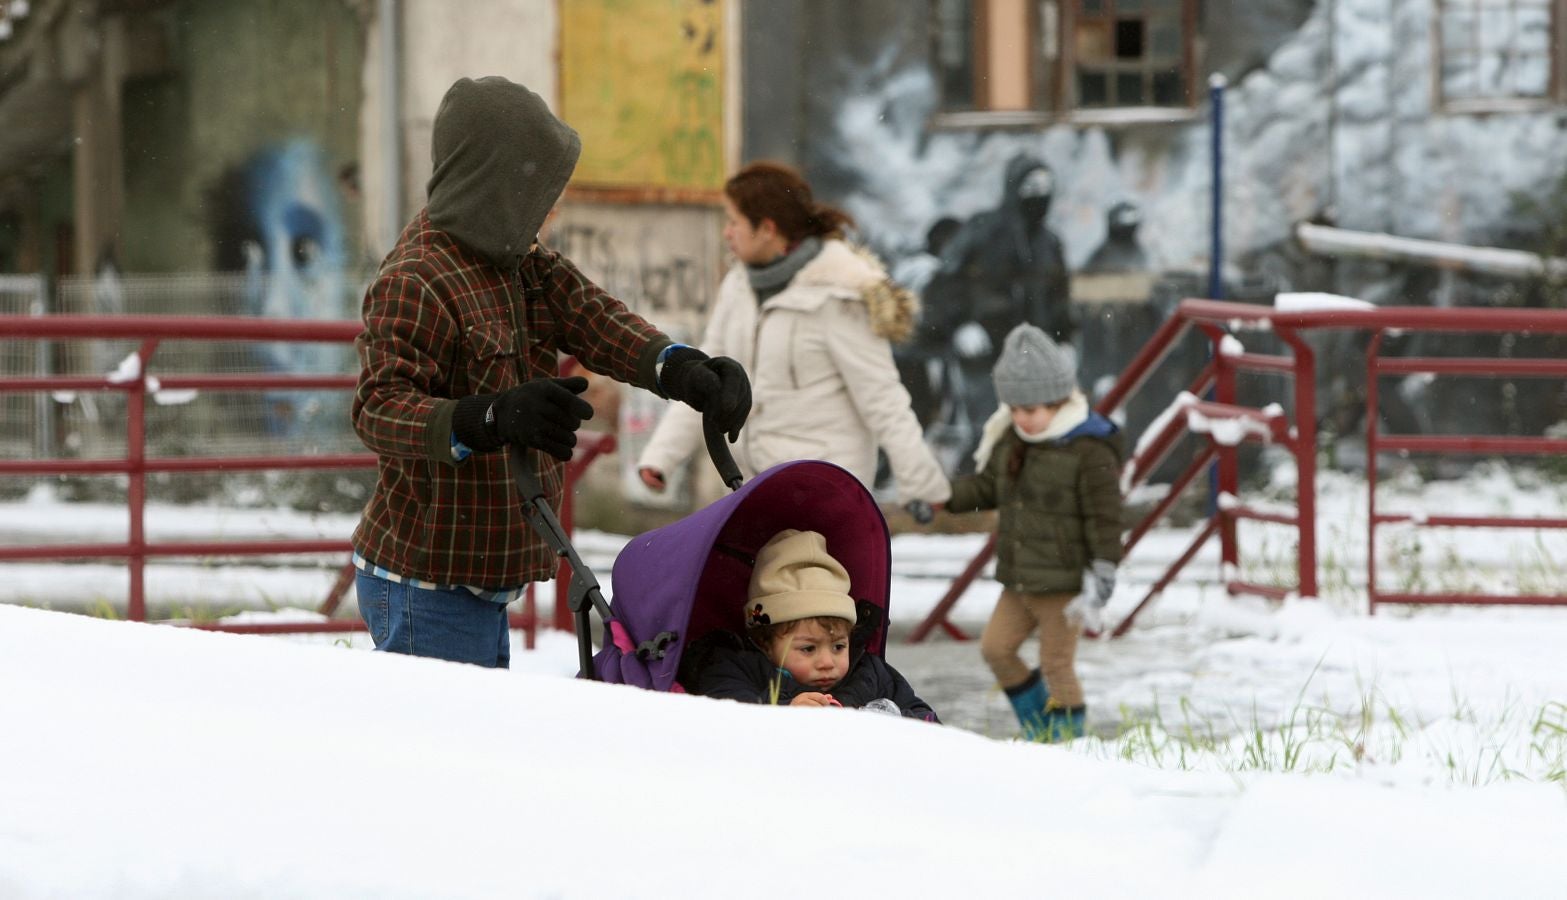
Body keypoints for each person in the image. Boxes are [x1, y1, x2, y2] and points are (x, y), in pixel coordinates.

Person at [351, 76, 751, 667]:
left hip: (479, 577)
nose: (552, 203)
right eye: (537, 185)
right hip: (424, 584)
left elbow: (594, 317)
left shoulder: (520, 260)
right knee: (449, 753)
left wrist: (680, 368)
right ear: (493, 182)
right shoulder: (417, 278)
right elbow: (376, 408)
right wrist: (489, 417)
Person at [636, 162, 949, 510]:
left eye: (734, 222)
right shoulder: (739, 284)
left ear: (767, 229)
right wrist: (661, 456)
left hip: (822, 493)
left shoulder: (838, 294)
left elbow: (882, 398)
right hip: (753, 488)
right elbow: (709, 376)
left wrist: (922, 484)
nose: (727, 233)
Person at [940, 324, 1124, 742]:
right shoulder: (1011, 438)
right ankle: (1040, 730)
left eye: (1033, 409)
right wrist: (940, 496)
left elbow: (1105, 516)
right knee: (996, 649)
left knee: (1057, 665)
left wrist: (1105, 565)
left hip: (1065, 584)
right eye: (1015, 408)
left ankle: (1068, 744)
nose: (1023, 417)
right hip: (1021, 577)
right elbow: (987, 487)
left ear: (1059, 400)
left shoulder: (1088, 448)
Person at [922, 154, 1075, 474]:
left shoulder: (1049, 242)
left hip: (1032, 354)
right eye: (1030, 186)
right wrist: (960, 324)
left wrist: (1063, 338)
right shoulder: (983, 230)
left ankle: (1017, 499)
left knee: (1032, 431)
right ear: (1014, 187)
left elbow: (1058, 296)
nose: (1038, 194)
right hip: (984, 348)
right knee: (988, 428)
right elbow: (944, 283)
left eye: (1045, 186)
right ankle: (975, 504)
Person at [693, 529, 938, 720]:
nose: (827, 663)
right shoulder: (737, 671)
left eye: (839, 647)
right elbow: (727, 720)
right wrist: (784, 711)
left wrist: (888, 719)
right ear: (765, 643)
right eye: (808, 649)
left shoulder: (870, 674)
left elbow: (928, 722)